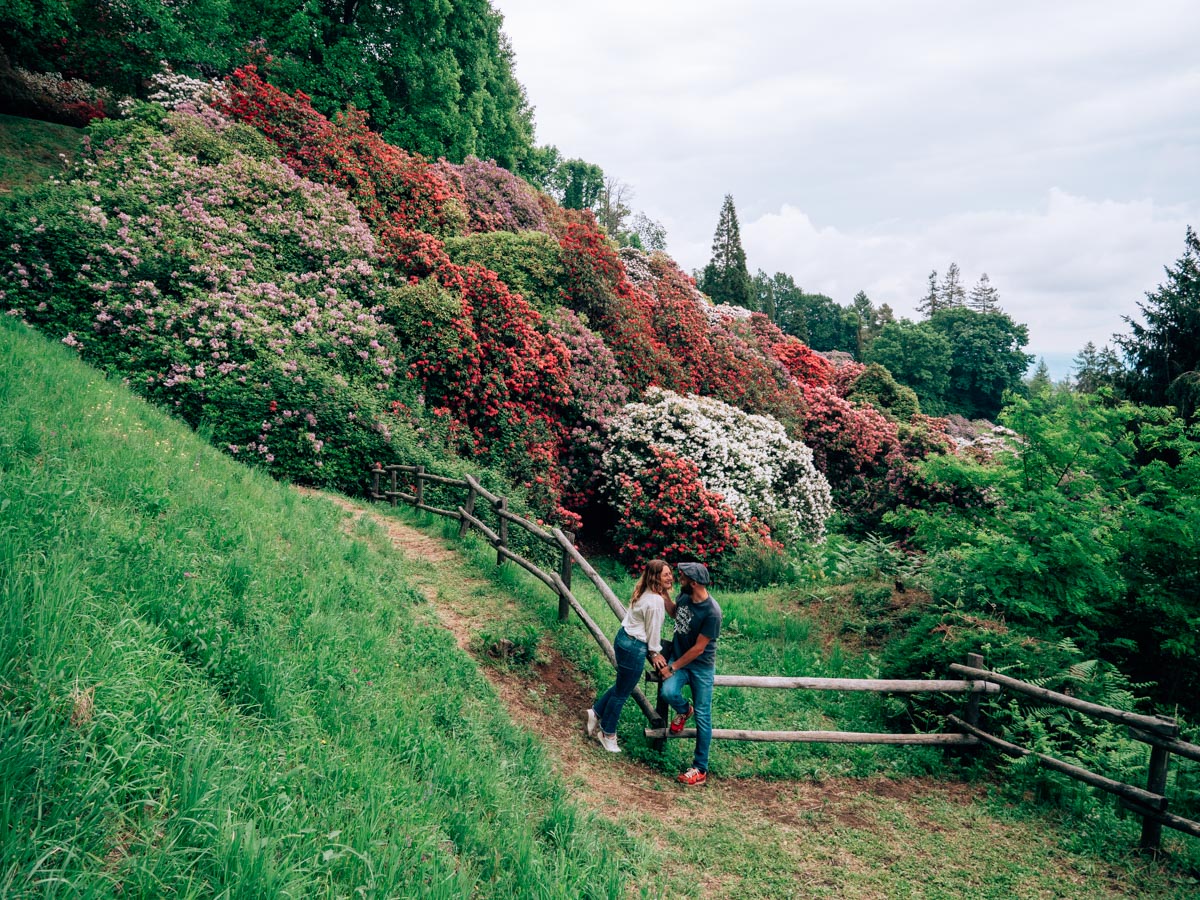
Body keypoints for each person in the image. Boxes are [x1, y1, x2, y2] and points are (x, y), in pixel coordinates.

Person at [585, 559, 672, 753]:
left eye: (670, 573)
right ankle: (607, 734)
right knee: (622, 693)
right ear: (655, 577)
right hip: (634, 647)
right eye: (665, 574)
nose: (670, 577)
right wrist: (655, 652)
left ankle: (596, 712)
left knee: (622, 685)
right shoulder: (656, 601)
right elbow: (653, 630)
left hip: (623, 638)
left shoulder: (645, 592)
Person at [659, 561, 721, 785]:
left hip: (701, 666)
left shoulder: (712, 613)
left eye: (682, 577)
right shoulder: (685, 597)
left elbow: (698, 648)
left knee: (704, 716)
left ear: (694, 583)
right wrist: (664, 593)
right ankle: (685, 711)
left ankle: (700, 769)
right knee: (668, 692)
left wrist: (672, 667)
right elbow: (676, 614)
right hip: (679, 658)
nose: (678, 580)